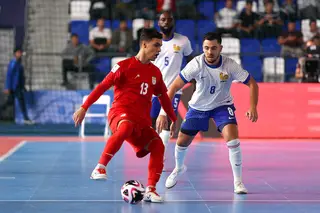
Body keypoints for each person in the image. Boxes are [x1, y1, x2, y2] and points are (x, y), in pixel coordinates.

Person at [72, 28, 177, 203]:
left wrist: (173, 118)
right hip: (120, 115)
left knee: (158, 145)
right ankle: (100, 167)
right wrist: (84, 107)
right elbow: (102, 87)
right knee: (126, 126)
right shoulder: (123, 66)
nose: (159, 50)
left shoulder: (155, 73)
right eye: (156, 45)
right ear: (144, 44)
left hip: (141, 123)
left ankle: (151, 190)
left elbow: (164, 97)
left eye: (161, 46)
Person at [156, 32, 259, 194]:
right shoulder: (196, 64)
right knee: (181, 142)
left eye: (213, 48)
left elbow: (252, 83)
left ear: (220, 48)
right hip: (198, 107)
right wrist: (163, 112)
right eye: (206, 48)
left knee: (233, 140)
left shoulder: (230, 65)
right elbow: (174, 87)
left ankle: (238, 182)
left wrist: (253, 106)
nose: (209, 52)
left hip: (222, 106)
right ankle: (178, 168)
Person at [151, 11, 193, 164]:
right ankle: (155, 149)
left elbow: (191, 61)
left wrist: (193, 80)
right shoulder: (152, 41)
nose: (166, 22)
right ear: (158, 22)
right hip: (153, 89)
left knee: (167, 123)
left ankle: (159, 157)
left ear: (174, 22)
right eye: (163, 19)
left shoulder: (183, 41)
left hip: (173, 90)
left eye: (169, 19)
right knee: (152, 123)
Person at [1, 47, 34, 125]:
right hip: (14, 87)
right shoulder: (13, 63)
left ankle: (26, 118)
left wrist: (23, 86)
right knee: (19, 102)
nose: (20, 54)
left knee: (10, 102)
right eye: (18, 53)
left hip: (18, 87)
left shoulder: (19, 64)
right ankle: (26, 118)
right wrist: (7, 87)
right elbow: (9, 76)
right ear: (15, 54)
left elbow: (21, 77)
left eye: (20, 53)